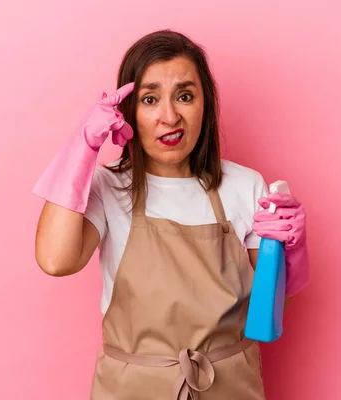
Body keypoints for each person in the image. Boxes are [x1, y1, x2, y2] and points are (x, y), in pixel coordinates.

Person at [32, 29, 310, 400]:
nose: (169, 116)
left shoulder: (245, 186)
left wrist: (292, 252)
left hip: (230, 387)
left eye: (184, 96)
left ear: (204, 105)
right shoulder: (109, 186)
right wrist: (83, 146)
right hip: (132, 389)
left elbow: (269, 312)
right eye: (149, 99)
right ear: (128, 111)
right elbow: (55, 260)